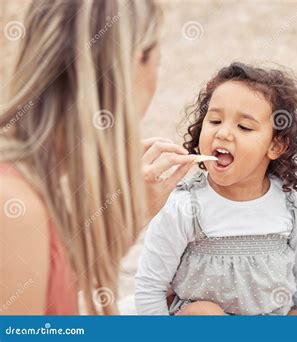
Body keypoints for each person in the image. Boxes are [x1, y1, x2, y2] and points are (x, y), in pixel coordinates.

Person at [0, 0, 196, 315]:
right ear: (133, 66)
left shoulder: (33, 185)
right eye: (156, 62)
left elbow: (45, 295)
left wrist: (122, 222)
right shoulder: (14, 207)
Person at [135, 62, 297, 315]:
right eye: (214, 120)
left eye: (244, 127)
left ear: (275, 146)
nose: (223, 133)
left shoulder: (293, 204)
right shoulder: (185, 206)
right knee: (204, 313)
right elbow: (150, 287)